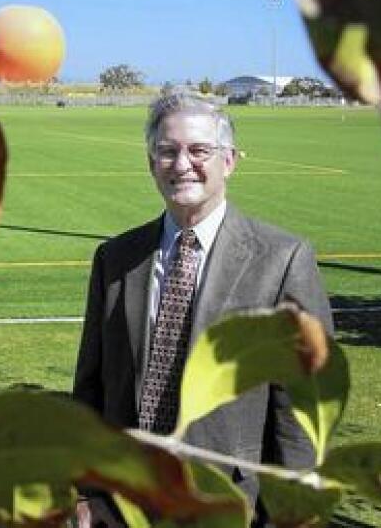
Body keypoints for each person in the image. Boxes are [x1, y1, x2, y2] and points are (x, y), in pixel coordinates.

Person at [72, 91, 333, 526]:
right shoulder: (115, 258)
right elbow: (91, 387)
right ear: (150, 162)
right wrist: (87, 493)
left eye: (199, 150)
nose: (182, 164)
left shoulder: (282, 260)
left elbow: (302, 408)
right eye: (167, 151)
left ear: (228, 161)